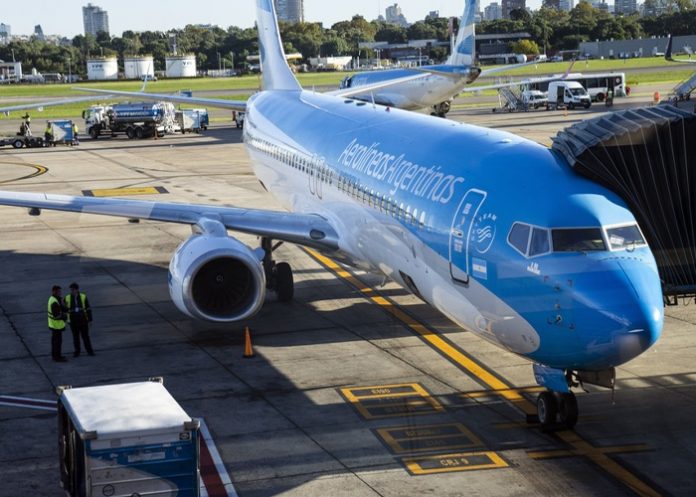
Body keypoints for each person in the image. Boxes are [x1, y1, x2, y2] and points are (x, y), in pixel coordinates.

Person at [65, 282, 94, 357]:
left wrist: (90, 320)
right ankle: (77, 352)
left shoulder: (83, 296)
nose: (72, 291)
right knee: (75, 337)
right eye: (71, 290)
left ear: (77, 290)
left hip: (83, 320)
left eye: (73, 290)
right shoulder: (67, 297)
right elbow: (64, 309)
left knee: (85, 337)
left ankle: (89, 351)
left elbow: (88, 308)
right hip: (73, 321)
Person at [48, 285, 68, 362]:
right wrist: (64, 316)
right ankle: (57, 357)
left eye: (60, 291)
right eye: (58, 291)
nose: (60, 293)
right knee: (57, 343)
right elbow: (56, 316)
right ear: (54, 291)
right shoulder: (54, 302)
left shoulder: (54, 299)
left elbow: (61, 307)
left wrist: (66, 308)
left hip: (54, 325)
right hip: (56, 326)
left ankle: (55, 356)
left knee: (55, 342)